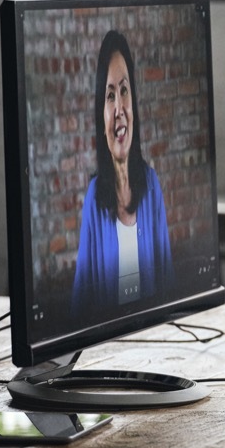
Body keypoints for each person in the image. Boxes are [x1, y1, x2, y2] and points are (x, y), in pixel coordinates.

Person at [71, 30, 174, 317]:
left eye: (124, 91)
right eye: (109, 95)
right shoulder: (94, 198)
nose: (119, 108)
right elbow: (80, 304)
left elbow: (169, 285)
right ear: (101, 117)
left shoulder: (151, 186)